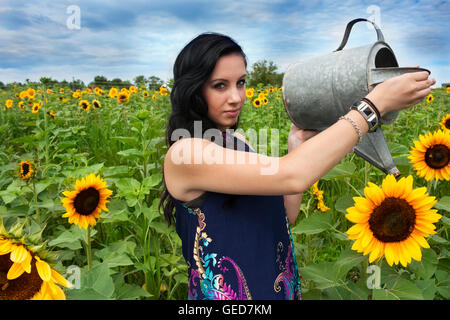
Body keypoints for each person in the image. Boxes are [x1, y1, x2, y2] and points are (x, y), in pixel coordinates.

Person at [158, 32, 435, 300]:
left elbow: (284, 215)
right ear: (193, 89)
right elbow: (293, 175)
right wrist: (374, 106)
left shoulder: (238, 142)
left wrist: (296, 145)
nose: (236, 97)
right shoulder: (186, 152)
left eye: (240, 82)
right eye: (220, 85)